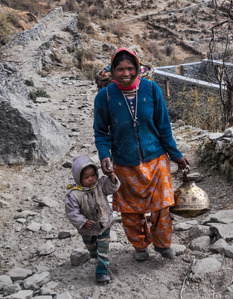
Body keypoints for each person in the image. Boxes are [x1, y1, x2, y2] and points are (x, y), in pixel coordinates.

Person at [93, 48, 189, 261]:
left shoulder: (152, 89)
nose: (125, 73)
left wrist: (176, 154)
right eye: (119, 69)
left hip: (156, 160)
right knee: (130, 210)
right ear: (112, 70)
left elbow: (164, 126)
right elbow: (101, 132)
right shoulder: (104, 97)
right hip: (125, 164)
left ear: (137, 68)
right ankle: (140, 246)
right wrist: (104, 155)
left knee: (162, 207)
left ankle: (163, 244)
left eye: (130, 68)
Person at [65, 154, 120, 283]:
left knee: (103, 248)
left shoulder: (100, 185)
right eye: (86, 177)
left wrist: (112, 176)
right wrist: (82, 222)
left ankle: (101, 271)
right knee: (91, 247)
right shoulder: (74, 194)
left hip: (103, 223)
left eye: (93, 175)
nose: (91, 179)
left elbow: (112, 187)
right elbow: (71, 212)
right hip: (87, 229)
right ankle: (94, 254)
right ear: (78, 178)